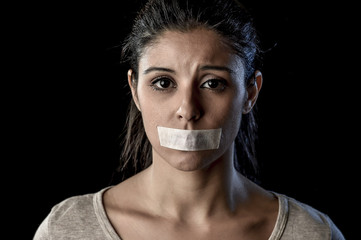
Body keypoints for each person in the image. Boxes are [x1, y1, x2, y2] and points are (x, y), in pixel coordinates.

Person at [34, 0, 345, 239]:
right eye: (163, 83)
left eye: (213, 83)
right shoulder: (68, 228)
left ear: (250, 92)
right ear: (135, 90)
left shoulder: (311, 232)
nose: (187, 109)